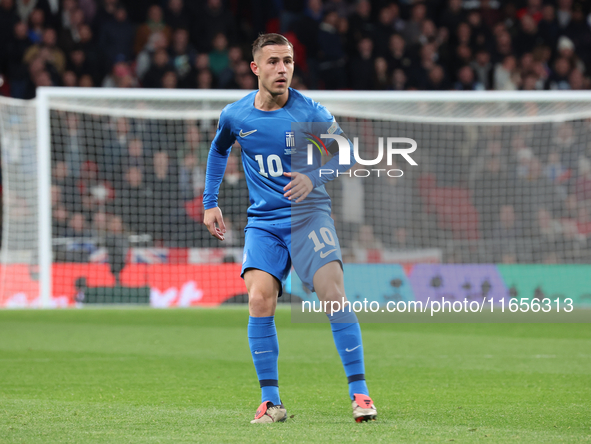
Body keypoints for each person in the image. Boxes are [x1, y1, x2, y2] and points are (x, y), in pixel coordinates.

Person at [203, 33, 377, 424]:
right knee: (260, 300)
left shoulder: (308, 111)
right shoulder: (236, 116)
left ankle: (360, 394)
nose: (282, 69)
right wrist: (209, 202)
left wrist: (313, 176)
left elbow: (346, 153)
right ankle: (271, 402)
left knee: (332, 295)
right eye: (274, 62)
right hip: (264, 223)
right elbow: (218, 150)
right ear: (255, 68)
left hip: (309, 216)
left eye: (288, 61)